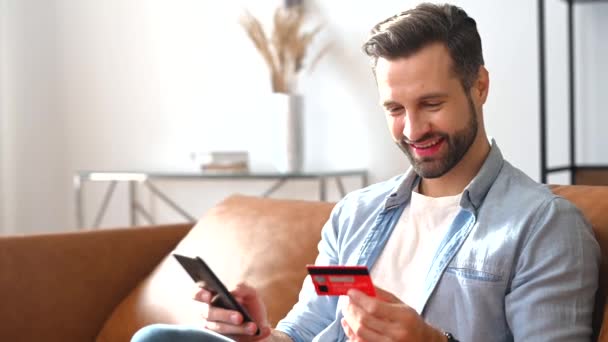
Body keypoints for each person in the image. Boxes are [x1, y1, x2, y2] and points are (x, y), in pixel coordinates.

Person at [132, 3, 600, 342]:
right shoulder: (356, 213)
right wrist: (261, 335)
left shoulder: (542, 227)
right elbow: (308, 327)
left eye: (431, 104)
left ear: (479, 86)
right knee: (156, 339)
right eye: (395, 108)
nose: (413, 129)